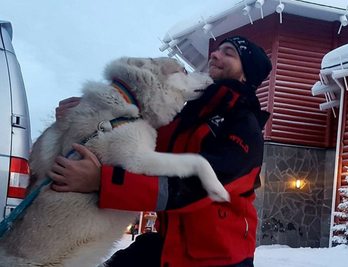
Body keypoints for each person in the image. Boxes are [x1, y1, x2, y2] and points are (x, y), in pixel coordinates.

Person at [50, 36, 272, 267]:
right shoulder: (186, 115)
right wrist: (89, 115)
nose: (215, 55)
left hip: (219, 256)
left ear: (246, 74)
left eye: (229, 53)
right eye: (217, 50)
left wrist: (102, 182)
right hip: (168, 244)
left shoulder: (245, 127)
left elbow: (196, 186)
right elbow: (133, 147)